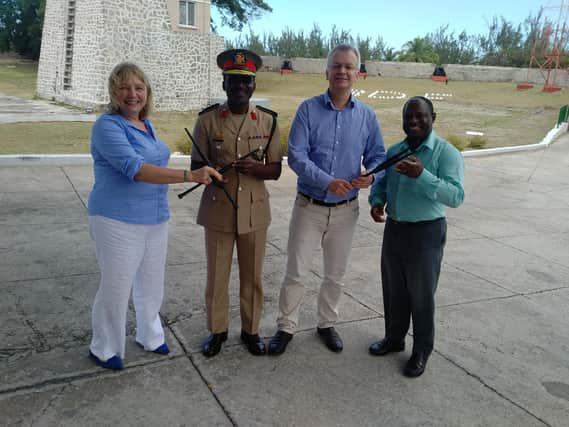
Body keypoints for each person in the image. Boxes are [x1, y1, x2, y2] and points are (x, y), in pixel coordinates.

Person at [87, 62, 222, 370]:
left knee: (151, 282)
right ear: (114, 92)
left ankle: (149, 335)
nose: (132, 94)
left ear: (147, 93)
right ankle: (104, 347)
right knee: (116, 285)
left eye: (139, 88)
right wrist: (190, 175)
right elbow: (135, 169)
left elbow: (155, 163)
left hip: (154, 217)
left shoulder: (145, 125)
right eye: (124, 88)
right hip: (116, 219)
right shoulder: (107, 126)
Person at [268, 44, 386, 355]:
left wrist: (371, 176)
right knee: (296, 272)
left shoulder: (367, 116)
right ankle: (286, 327)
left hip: (346, 211)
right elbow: (296, 155)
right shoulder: (308, 109)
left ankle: (326, 324)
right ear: (327, 71)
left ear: (357, 74)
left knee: (336, 274)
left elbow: (378, 156)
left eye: (349, 67)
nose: (342, 71)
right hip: (310, 207)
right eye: (337, 66)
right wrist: (326, 181)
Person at [191, 49, 283, 358]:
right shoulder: (207, 120)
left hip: (255, 211)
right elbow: (196, 165)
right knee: (217, 277)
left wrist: (257, 170)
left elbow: (276, 169)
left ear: (254, 84)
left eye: (245, 81)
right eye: (233, 80)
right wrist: (211, 175)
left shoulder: (267, 122)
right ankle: (217, 331)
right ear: (224, 83)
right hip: (218, 208)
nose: (239, 86)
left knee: (252, 276)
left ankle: (250, 331)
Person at [368, 96, 464, 377]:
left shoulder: (445, 153)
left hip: (426, 232)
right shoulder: (395, 150)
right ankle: (394, 338)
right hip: (395, 229)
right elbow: (384, 183)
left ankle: (421, 350)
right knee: (394, 290)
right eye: (408, 116)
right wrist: (377, 200)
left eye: (420, 116)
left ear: (433, 116)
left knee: (421, 296)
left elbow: (456, 196)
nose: (414, 121)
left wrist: (422, 175)